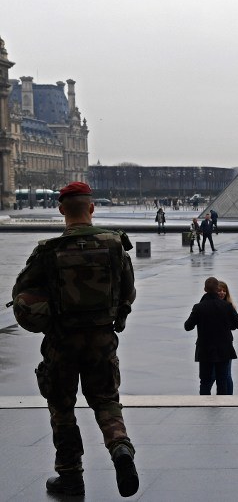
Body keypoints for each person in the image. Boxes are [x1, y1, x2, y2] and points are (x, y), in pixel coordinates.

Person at [11, 181, 139, 497]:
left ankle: (70, 475)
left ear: (61, 210)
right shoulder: (114, 246)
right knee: (107, 401)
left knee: (62, 408)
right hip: (102, 339)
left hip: (61, 342)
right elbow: (129, 292)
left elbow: (20, 293)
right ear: (92, 208)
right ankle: (120, 447)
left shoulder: (47, 251)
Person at [184, 277, 238, 395]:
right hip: (224, 348)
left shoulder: (199, 307)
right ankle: (223, 404)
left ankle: (204, 403)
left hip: (205, 349)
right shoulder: (227, 306)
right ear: (217, 289)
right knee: (222, 380)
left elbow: (188, 326)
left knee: (205, 381)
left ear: (205, 289)